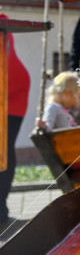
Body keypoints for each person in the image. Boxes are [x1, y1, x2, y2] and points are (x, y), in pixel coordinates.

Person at [0, 13, 31, 230]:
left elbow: (5, 65)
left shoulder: (3, 28)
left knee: (3, 151)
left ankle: (1, 212)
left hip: (13, 93)